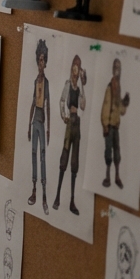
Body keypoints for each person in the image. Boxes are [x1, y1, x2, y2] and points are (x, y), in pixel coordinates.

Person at [54, 54, 87, 215]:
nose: (76, 70)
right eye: (75, 66)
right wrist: (64, 115)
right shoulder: (68, 84)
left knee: (74, 162)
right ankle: (57, 197)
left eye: (78, 67)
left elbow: (83, 105)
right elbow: (62, 100)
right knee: (64, 159)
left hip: (77, 124)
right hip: (69, 124)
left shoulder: (79, 88)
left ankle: (72, 201)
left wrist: (83, 84)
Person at [27, 38, 50, 212]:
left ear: (45, 62)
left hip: (41, 122)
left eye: (43, 60)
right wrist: (28, 125)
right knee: (33, 154)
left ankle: (44, 194)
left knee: (42, 155)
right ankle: (34, 189)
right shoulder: (35, 81)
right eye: (39, 60)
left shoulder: (46, 82)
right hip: (34, 121)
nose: (40, 63)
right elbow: (33, 103)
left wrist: (48, 128)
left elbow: (47, 105)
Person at [101, 56, 130, 189]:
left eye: (119, 68)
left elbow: (121, 110)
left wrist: (125, 103)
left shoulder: (118, 88)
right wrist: (105, 124)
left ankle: (117, 176)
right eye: (116, 68)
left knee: (117, 151)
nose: (117, 71)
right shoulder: (110, 87)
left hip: (116, 126)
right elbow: (106, 106)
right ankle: (108, 176)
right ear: (113, 70)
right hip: (109, 127)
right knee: (108, 151)